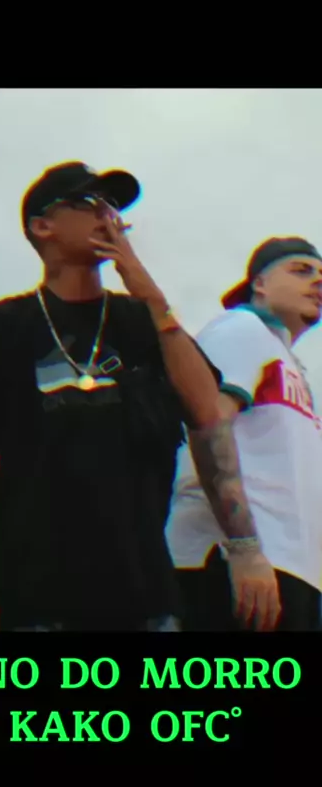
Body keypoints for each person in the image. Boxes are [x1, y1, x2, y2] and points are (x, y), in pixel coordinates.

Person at [0, 161, 273, 632]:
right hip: (29, 593)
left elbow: (207, 411)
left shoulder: (144, 321)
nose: (107, 216)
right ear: (42, 226)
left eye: (112, 205)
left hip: (144, 594)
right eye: (89, 202)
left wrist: (149, 293)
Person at [167, 236, 322, 632]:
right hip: (233, 565)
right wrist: (244, 547)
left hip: (289, 570)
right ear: (259, 284)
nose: (318, 281)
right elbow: (207, 425)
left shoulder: (290, 363)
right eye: (301, 270)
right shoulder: (241, 329)